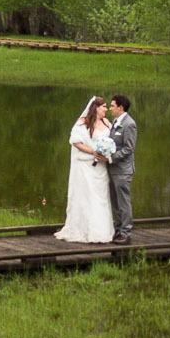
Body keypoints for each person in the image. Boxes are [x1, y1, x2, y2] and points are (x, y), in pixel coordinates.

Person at [53, 95, 115, 243]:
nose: (106, 109)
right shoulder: (82, 124)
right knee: (87, 197)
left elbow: (111, 140)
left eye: (107, 106)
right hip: (85, 167)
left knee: (100, 198)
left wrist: (107, 152)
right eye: (104, 107)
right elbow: (75, 142)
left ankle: (102, 230)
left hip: (101, 167)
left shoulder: (106, 123)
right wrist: (93, 152)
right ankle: (83, 230)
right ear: (96, 108)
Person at [101, 94, 136, 243]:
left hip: (123, 170)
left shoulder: (129, 124)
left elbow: (129, 149)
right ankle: (118, 229)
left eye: (112, 106)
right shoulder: (116, 122)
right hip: (113, 169)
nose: (110, 108)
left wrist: (110, 158)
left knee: (123, 202)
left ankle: (126, 232)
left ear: (120, 108)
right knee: (115, 202)